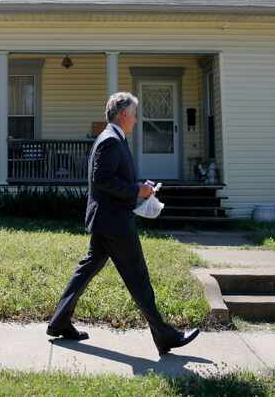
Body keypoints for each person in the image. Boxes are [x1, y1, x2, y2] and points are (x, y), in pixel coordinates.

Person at [47, 92, 200, 355]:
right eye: (135, 114)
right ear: (123, 114)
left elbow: (113, 178)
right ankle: (164, 336)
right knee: (138, 277)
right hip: (115, 222)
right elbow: (102, 180)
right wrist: (136, 191)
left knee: (86, 270)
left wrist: (140, 187)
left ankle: (59, 321)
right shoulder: (110, 141)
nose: (137, 120)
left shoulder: (112, 139)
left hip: (106, 219)